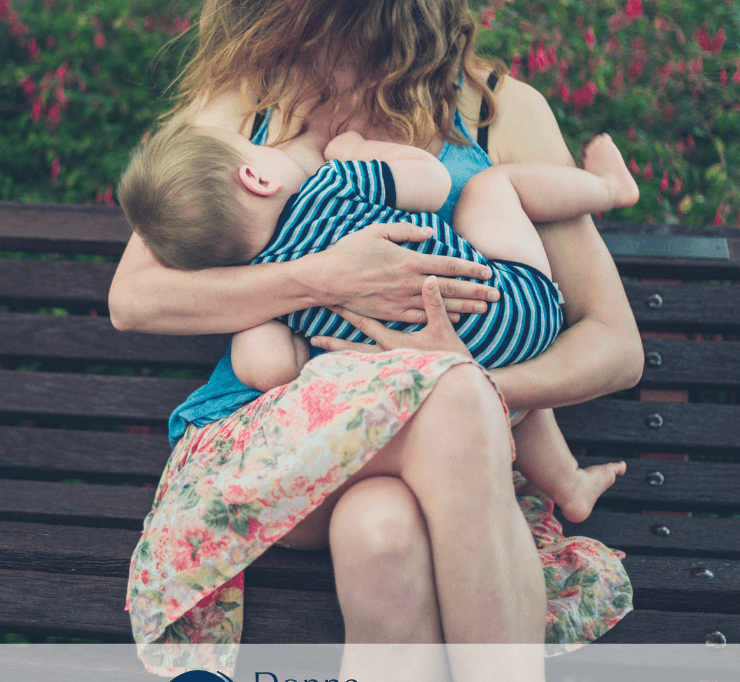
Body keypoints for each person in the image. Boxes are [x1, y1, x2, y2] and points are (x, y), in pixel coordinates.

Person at [110, 0, 644, 682]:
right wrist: (321, 280)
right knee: (442, 399)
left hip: (429, 465)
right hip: (272, 453)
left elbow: (613, 345)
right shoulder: (249, 101)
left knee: (384, 530)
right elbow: (136, 298)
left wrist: (479, 382)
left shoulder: (497, 113)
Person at [118, 117, 635, 519]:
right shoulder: (331, 183)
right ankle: (611, 189)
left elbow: (270, 368)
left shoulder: (264, 293)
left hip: (437, 377)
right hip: (516, 306)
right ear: (256, 176)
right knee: (491, 187)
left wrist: (269, 321)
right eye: (261, 150)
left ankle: (568, 485)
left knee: (483, 374)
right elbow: (431, 182)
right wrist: (358, 149)